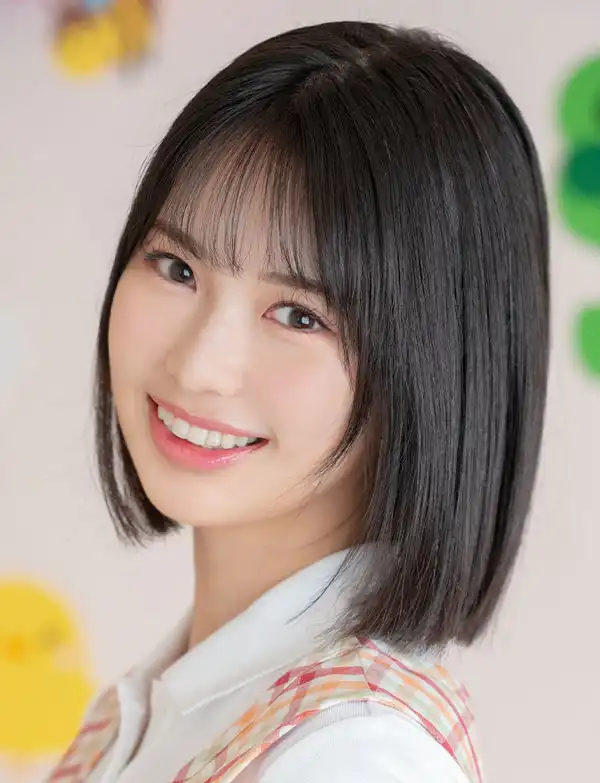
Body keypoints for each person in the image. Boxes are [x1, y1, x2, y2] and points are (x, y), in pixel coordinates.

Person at [47, 20, 549, 783]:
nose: (200, 364)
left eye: (298, 315)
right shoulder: (157, 707)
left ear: (430, 369)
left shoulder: (352, 758)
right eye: (177, 267)